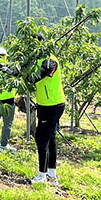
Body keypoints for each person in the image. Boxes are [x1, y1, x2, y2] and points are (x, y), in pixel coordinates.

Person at [30, 50, 65, 186]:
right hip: (45, 104)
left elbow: (40, 74)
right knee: (50, 138)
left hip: (53, 105)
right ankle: (52, 176)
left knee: (41, 138)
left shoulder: (51, 61)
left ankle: (42, 175)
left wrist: (19, 75)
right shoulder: (36, 59)